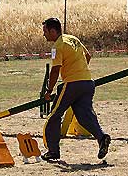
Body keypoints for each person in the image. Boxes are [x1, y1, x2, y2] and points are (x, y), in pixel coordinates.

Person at [41, 17, 111, 161]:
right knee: (85, 117)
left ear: (53, 31)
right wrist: (80, 72)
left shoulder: (57, 47)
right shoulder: (72, 39)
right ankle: (101, 137)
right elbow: (88, 56)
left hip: (72, 85)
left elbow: (55, 71)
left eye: (45, 31)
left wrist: (48, 91)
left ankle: (53, 151)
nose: (44, 35)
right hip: (88, 83)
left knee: (53, 116)